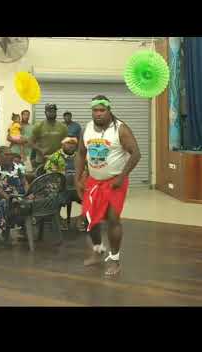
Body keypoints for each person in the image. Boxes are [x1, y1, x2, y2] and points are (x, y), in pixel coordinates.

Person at [75, 95, 141, 276]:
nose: (98, 114)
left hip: (114, 183)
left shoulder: (120, 129)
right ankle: (98, 250)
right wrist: (77, 178)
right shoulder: (87, 128)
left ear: (109, 110)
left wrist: (122, 176)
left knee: (113, 219)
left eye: (102, 110)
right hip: (93, 182)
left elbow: (136, 153)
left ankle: (114, 259)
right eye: (95, 110)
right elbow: (81, 154)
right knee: (90, 219)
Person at [0, 146, 31, 245]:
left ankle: (25, 227)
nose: (10, 156)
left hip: (16, 194)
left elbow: (24, 182)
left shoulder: (16, 167)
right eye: (6, 154)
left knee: (31, 201)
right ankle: (4, 230)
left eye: (11, 154)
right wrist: (9, 198)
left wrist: (28, 193)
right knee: (4, 203)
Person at [29, 104, 68, 169]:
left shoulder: (63, 127)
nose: (52, 113)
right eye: (50, 111)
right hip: (42, 159)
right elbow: (30, 142)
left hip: (58, 159)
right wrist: (40, 150)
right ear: (45, 113)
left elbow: (66, 142)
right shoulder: (39, 126)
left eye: (54, 111)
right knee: (43, 178)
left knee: (58, 178)